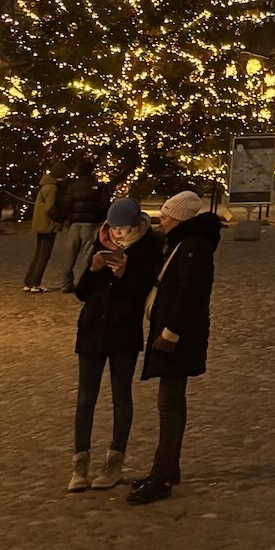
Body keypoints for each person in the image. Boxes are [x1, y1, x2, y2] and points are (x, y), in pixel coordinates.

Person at [128, 190, 223, 506]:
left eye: (166, 214)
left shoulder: (193, 247)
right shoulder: (183, 243)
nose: (161, 219)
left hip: (178, 337)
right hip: (174, 332)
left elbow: (191, 295)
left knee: (169, 405)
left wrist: (171, 332)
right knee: (171, 402)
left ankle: (162, 475)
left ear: (180, 217)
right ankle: (169, 468)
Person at [68, 196, 162, 492]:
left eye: (123, 228)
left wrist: (124, 275)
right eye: (115, 228)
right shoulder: (100, 241)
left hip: (123, 331)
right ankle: (79, 463)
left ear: (136, 225)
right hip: (93, 329)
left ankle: (114, 460)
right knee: (86, 398)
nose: (118, 233)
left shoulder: (149, 248)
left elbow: (144, 294)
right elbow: (82, 293)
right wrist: (93, 270)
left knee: (121, 396)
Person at [53, 158, 105, 293]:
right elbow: (103, 205)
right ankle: (83, 282)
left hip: (75, 223)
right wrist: (99, 217)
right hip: (90, 223)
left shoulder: (72, 186)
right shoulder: (97, 186)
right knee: (86, 254)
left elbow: (65, 204)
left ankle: (66, 282)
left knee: (70, 254)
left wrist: (68, 217)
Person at [23, 167, 62, 292]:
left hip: (40, 223)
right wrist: (60, 218)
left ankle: (29, 281)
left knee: (38, 253)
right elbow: (50, 208)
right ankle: (35, 283)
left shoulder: (45, 186)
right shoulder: (52, 188)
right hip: (48, 225)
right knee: (44, 255)